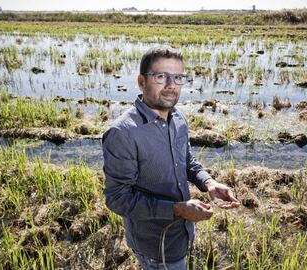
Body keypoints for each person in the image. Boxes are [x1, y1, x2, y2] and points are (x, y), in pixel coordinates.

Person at [102, 46, 240, 270]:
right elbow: (118, 199)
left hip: (181, 235)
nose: (171, 85)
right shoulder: (122, 133)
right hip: (156, 246)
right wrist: (177, 209)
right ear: (141, 81)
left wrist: (209, 183)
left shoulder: (178, 118)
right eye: (160, 76)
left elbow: (185, 160)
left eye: (177, 77)